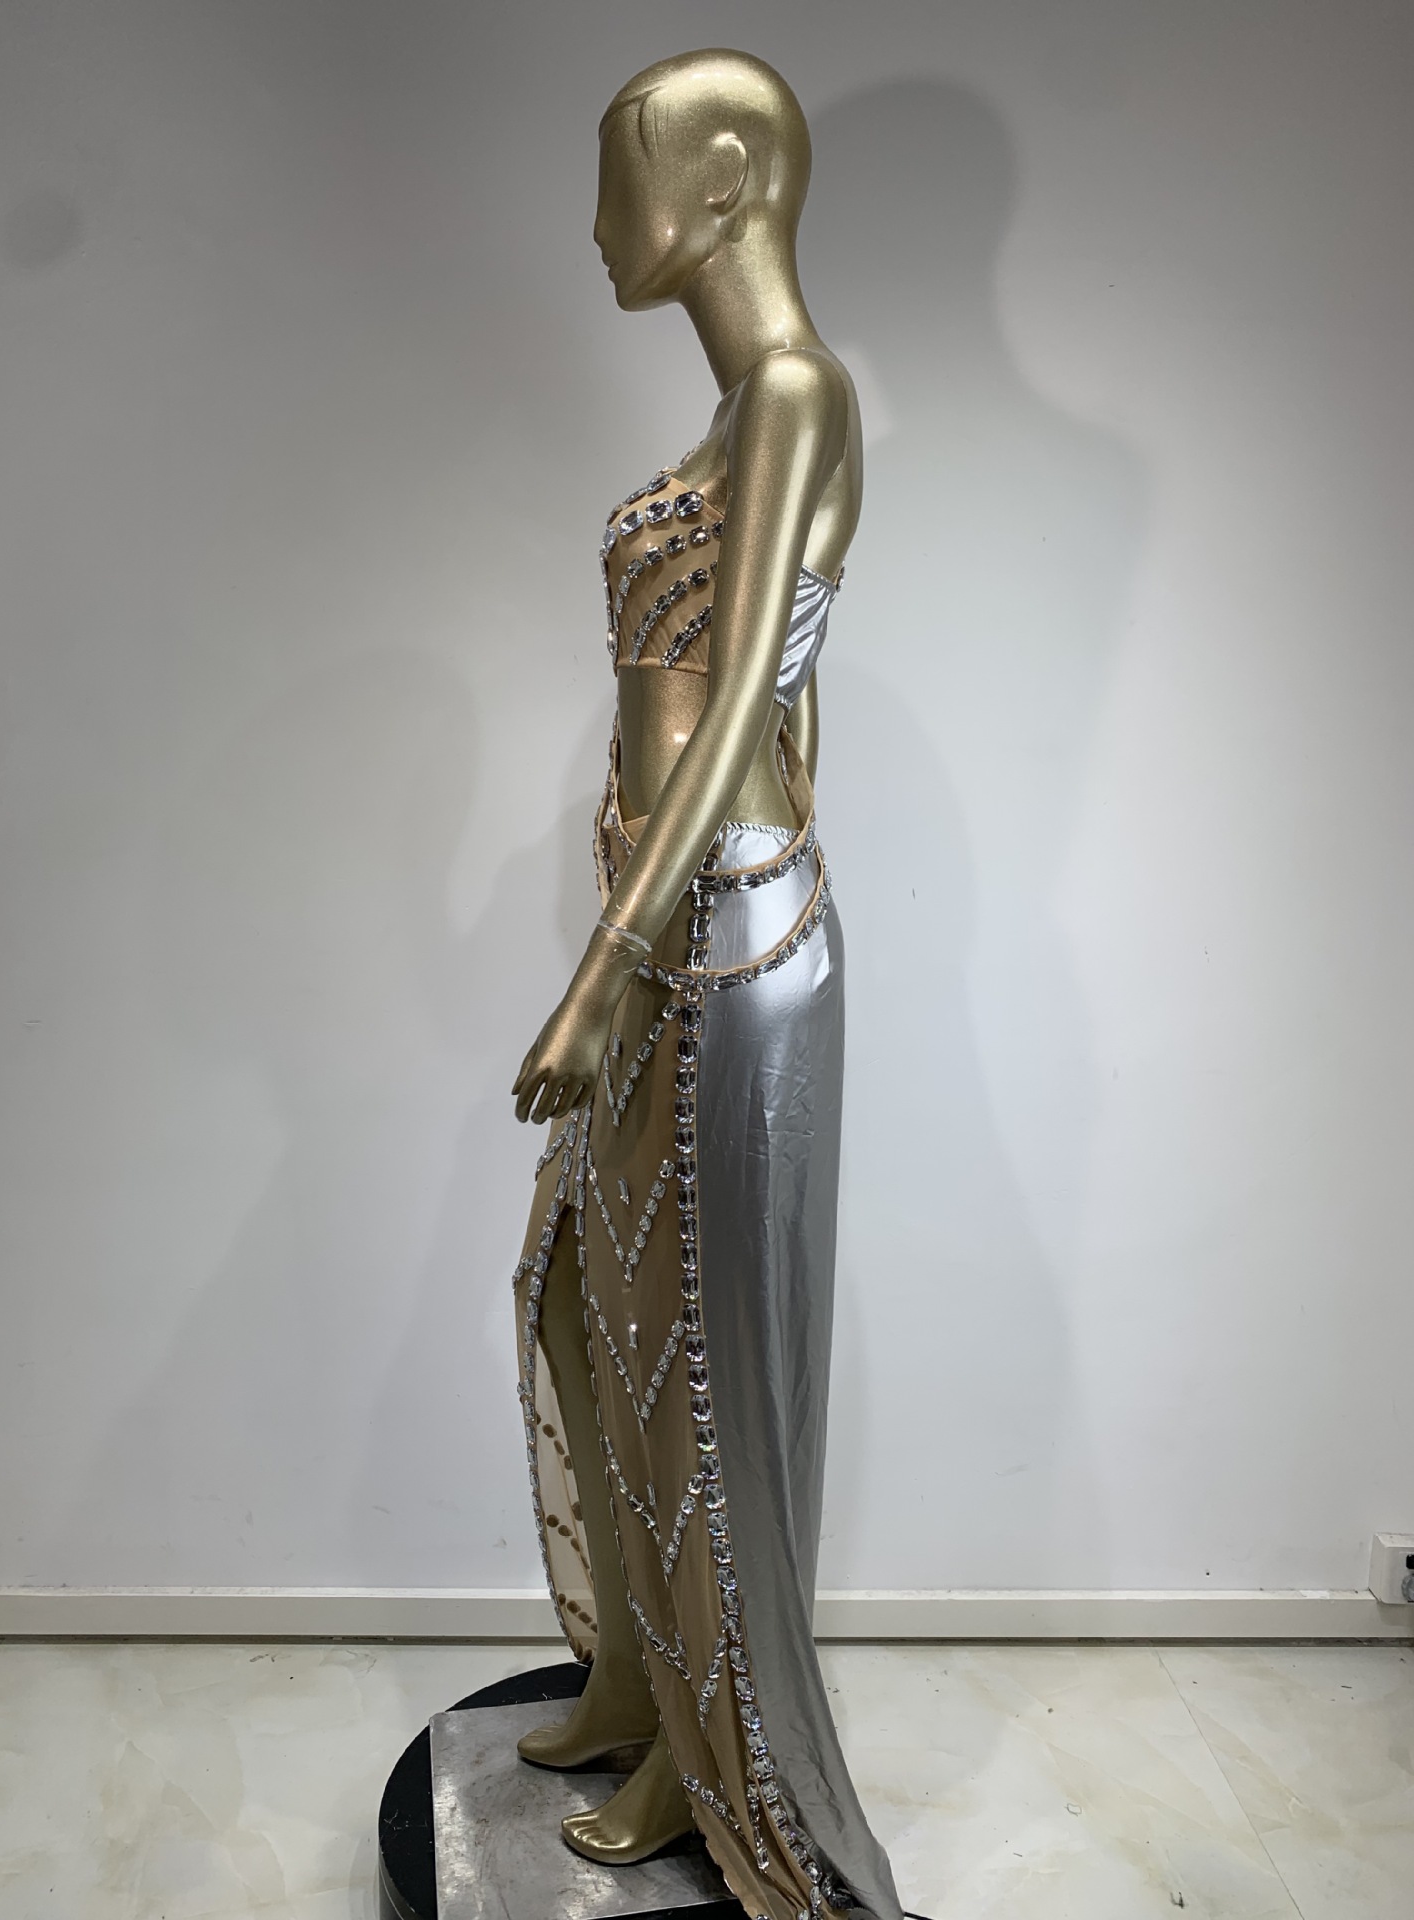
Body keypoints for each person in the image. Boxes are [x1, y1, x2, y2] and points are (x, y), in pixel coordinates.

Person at [508, 48, 903, 1920]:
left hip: (721, 936)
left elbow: (748, 695)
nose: (601, 224)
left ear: (727, 178)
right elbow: (778, 702)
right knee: (581, 1302)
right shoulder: (737, 416)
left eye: (625, 178)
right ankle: (632, 1674)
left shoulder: (800, 393)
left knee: (693, 1357)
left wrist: (608, 968)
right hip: (677, 912)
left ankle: (713, 1743)